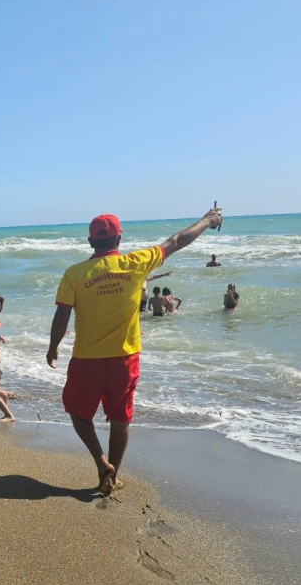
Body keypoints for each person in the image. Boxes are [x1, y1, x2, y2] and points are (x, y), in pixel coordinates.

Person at [46, 207, 222, 494]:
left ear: (91, 242)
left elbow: (62, 316)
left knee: (78, 414)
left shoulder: (74, 273)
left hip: (86, 358)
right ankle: (110, 479)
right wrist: (208, 220)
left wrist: (53, 348)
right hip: (125, 358)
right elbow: (177, 241)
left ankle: (102, 463)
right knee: (120, 418)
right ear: (119, 239)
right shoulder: (136, 262)